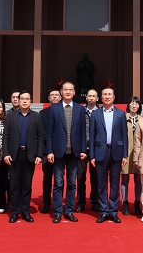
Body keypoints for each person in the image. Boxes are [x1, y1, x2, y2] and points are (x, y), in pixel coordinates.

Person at [46, 81, 86, 223]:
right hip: (58, 152)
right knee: (58, 183)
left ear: (74, 92)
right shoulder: (53, 109)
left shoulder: (80, 109)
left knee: (71, 183)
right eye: (65, 90)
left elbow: (82, 132)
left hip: (74, 152)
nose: (68, 92)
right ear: (61, 92)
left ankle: (69, 210)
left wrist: (83, 149)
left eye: (70, 90)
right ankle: (57, 212)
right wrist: (49, 151)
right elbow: (49, 133)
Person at [3, 90, 44, 223]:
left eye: (27, 99)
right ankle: (15, 212)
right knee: (14, 185)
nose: (24, 101)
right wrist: (5, 153)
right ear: (18, 101)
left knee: (27, 185)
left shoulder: (36, 116)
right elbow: (6, 136)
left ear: (31, 101)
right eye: (22, 99)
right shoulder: (11, 116)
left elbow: (40, 136)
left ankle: (26, 211)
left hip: (29, 155)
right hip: (14, 155)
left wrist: (39, 155)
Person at [89, 87, 128, 223]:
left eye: (109, 94)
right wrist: (92, 156)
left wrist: (125, 155)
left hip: (116, 152)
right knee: (101, 184)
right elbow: (92, 136)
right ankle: (104, 211)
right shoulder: (95, 114)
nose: (107, 96)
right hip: (100, 152)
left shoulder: (120, 114)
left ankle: (113, 211)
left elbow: (124, 135)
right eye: (104, 94)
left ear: (114, 97)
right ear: (101, 97)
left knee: (115, 184)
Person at [76, 88, 100, 212]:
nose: (91, 98)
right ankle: (81, 202)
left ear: (97, 98)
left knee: (95, 178)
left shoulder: (101, 112)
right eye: (89, 96)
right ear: (86, 98)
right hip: (82, 149)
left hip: (96, 150)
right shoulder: (80, 111)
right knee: (80, 177)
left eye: (93, 96)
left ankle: (95, 202)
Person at [40, 88, 61, 214]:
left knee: (59, 179)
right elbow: (42, 133)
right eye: (52, 95)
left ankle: (58, 203)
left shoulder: (64, 111)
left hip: (61, 152)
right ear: (48, 98)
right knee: (47, 178)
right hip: (46, 151)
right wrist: (49, 150)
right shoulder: (42, 114)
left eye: (56, 95)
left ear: (60, 97)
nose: (54, 97)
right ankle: (46, 203)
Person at [121, 96, 142, 216]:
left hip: (138, 153)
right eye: (132, 103)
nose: (134, 106)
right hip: (125, 152)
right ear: (128, 105)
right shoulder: (122, 118)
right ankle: (125, 203)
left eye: (136, 104)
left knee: (138, 179)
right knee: (125, 178)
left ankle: (137, 203)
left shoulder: (142, 119)